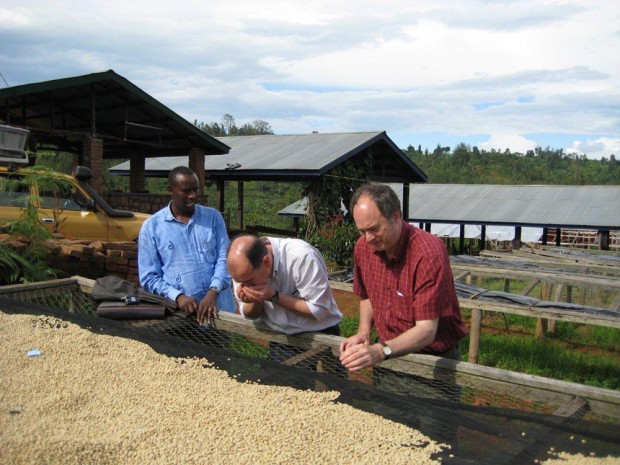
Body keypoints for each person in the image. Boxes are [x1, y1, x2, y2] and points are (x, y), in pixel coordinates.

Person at [339, 183, 468, 387]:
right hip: (388, 358)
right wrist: (364, 332)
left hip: (432, 364)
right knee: (386, 417)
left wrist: (381, 351)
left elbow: (426, 330)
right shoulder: (363, 248)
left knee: (435, 418)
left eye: (374, 229)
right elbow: (366, 295)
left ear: (396, 216)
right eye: (362, 231)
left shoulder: (427, 253)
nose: (368, 238)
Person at [227, 233, 343, 369]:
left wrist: (273, 296)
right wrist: (256, 299)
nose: (245, 287)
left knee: (336, 386)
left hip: (322, 331)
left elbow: (320, 310)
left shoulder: (301, 256)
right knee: (289, 387)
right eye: (241, 282)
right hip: (283, 337)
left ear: (266, 262)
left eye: (249, 282)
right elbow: (249, 314)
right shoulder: (242, 269)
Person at [138, 166, 235, 326]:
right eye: (186, 191)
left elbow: (225, 259)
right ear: (171, 190)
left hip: (219, 313)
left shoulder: (213, 218)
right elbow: (149, 277)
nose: (193, 195)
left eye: (196, 190)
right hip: (180, 317)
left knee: (221, 351)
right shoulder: (152, 227)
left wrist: (213, 292)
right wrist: (178, 296)